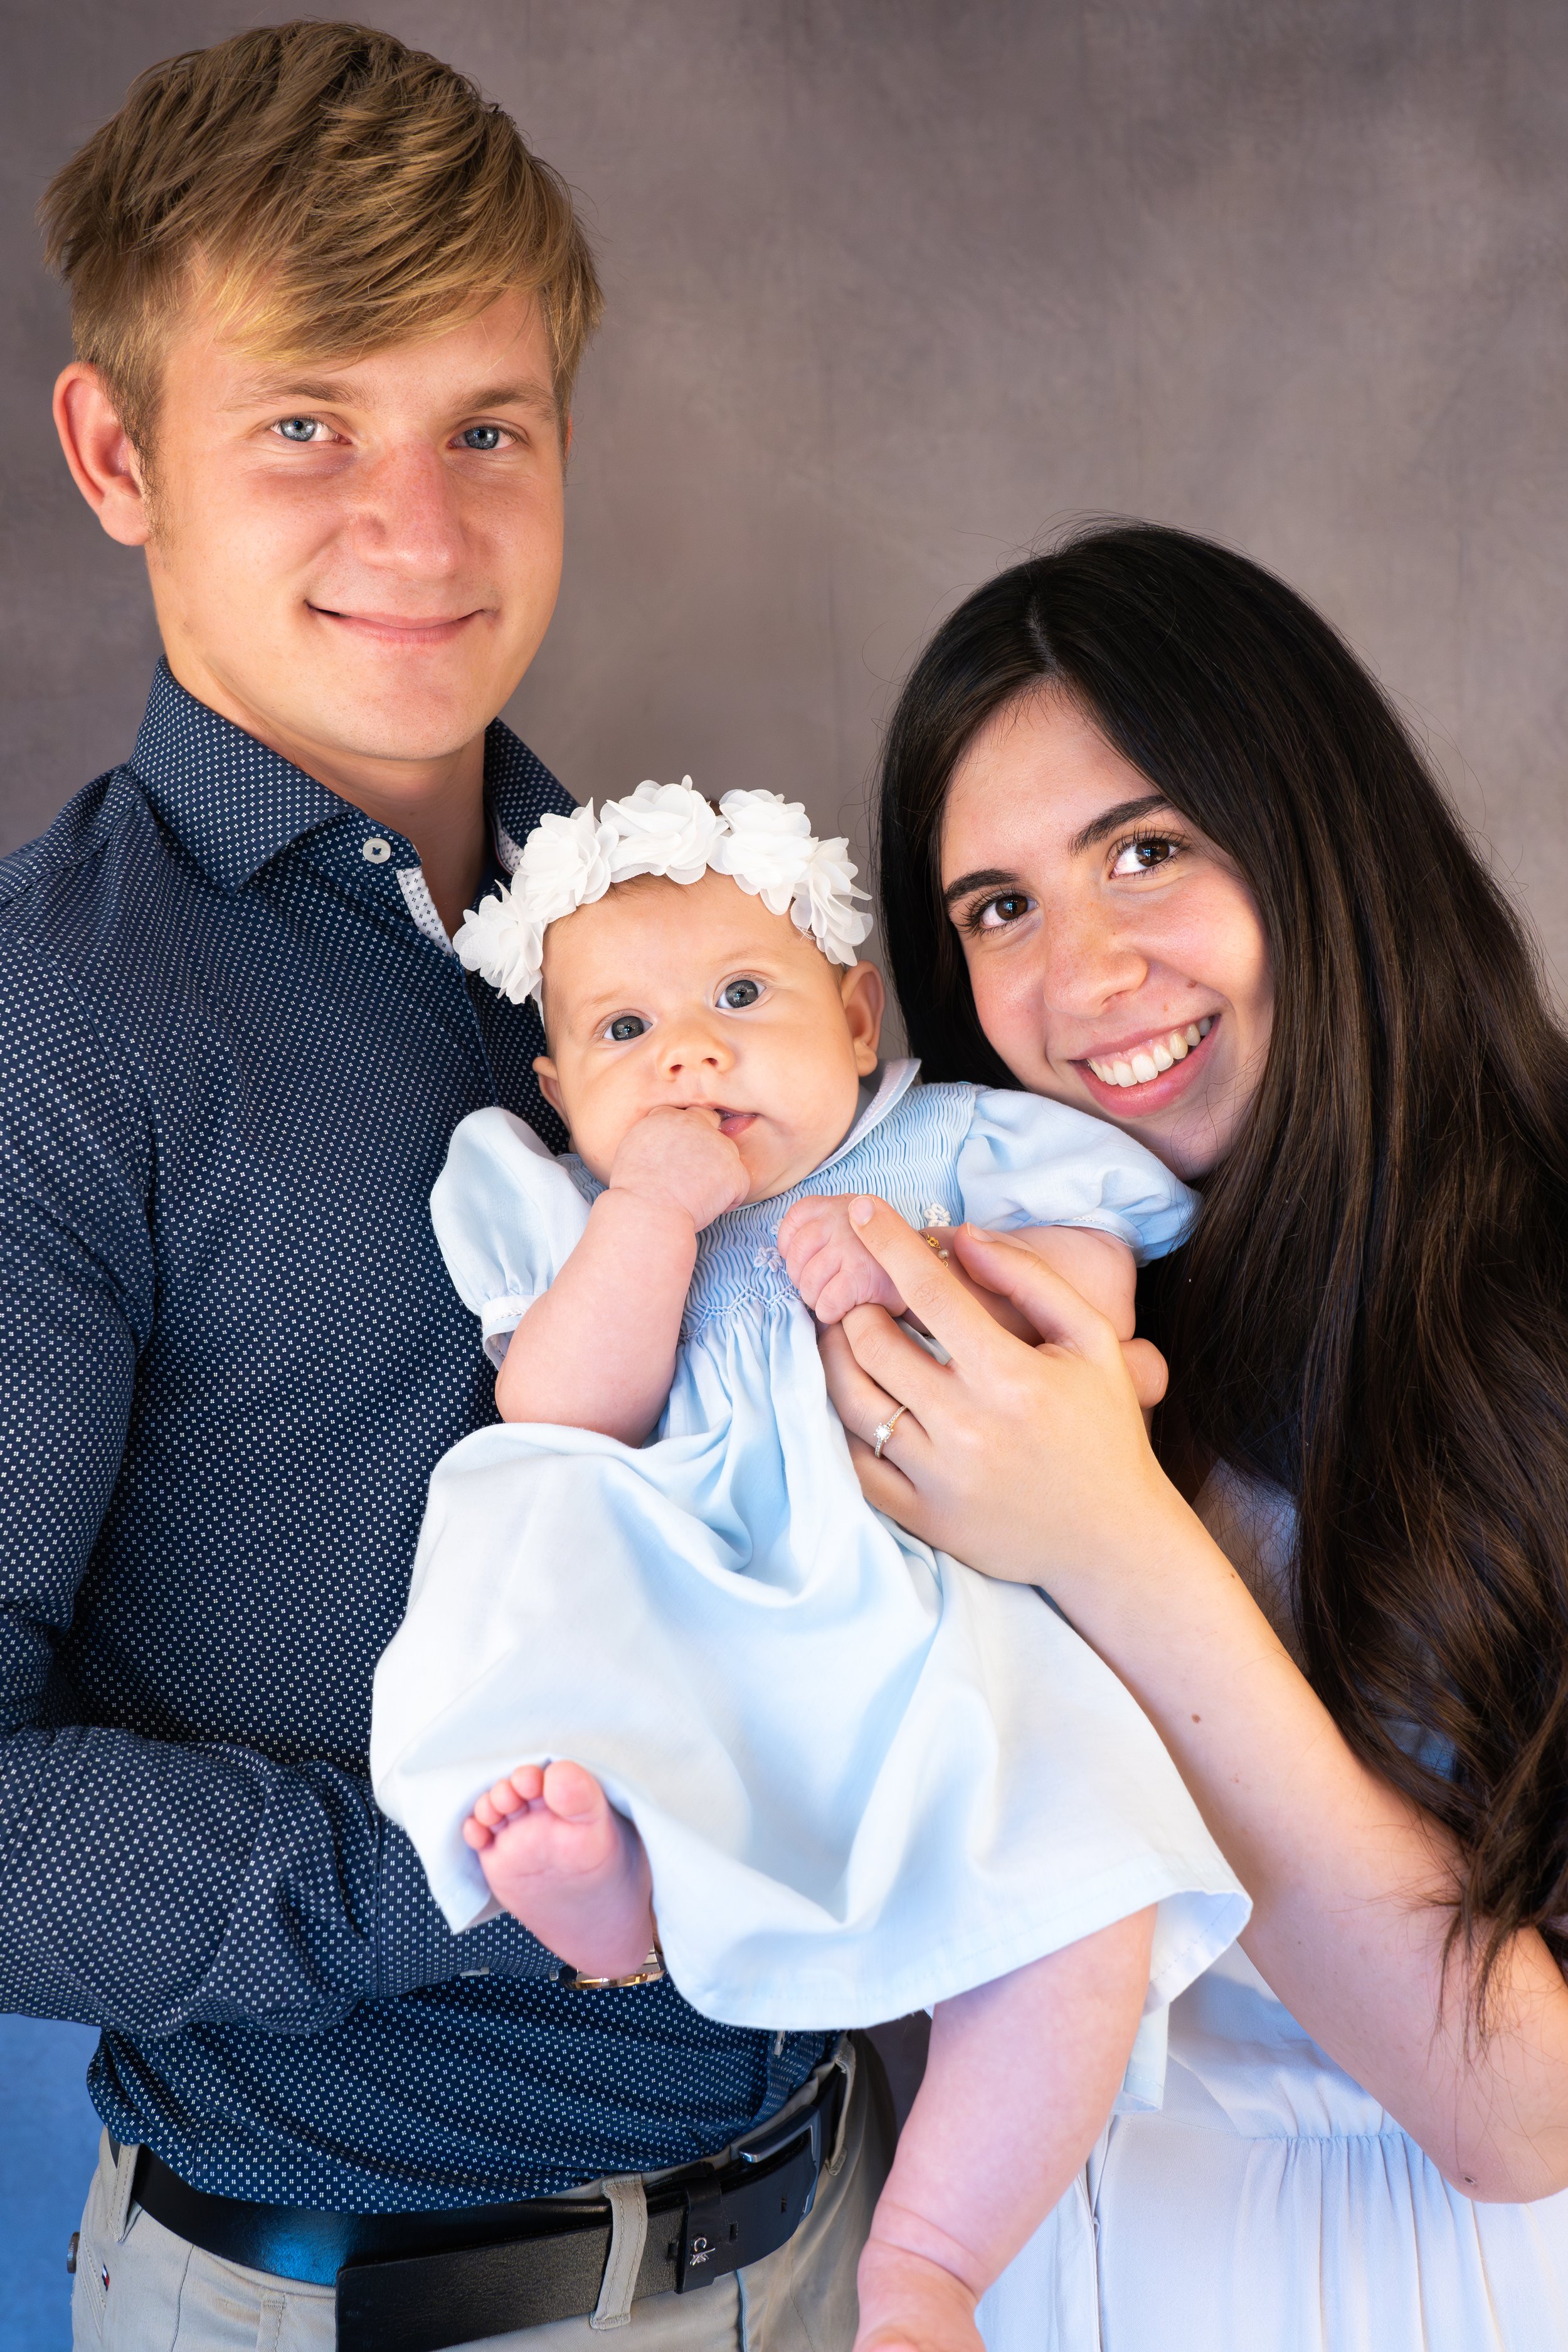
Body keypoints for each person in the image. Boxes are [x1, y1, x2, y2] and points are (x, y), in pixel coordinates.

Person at [7, 26, 879, 2352]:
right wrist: (475, 1867)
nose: (420, 526)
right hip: (399, 2305)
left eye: (485, 428)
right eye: (307, 425)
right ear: (118, 453)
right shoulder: (51, 1030)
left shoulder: (694, 955)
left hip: (859, 2231)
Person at [369, 775, 1248, 2352]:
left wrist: (935, 1275)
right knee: (537, 1555)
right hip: (704, 1617)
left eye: (738, 997)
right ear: (557, 1087)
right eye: (624, 1037)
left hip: (936, 1625)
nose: (689, 1052)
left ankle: (926, 2260)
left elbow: (1097, 1303)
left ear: (853, 1021)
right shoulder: (567, 1206)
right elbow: (565, 1406)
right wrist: (646, 1215)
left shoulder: (955, 1145)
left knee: (1081, 1895)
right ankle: (607, 1897)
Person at [815, 522, 1568, 2351]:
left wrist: (1106, 1535)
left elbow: (1517, 2108)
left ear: (1319, 841)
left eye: (1145, 850)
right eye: (996, 907)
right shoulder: (993, 1318)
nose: (1081, 980)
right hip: (1027, 2268)